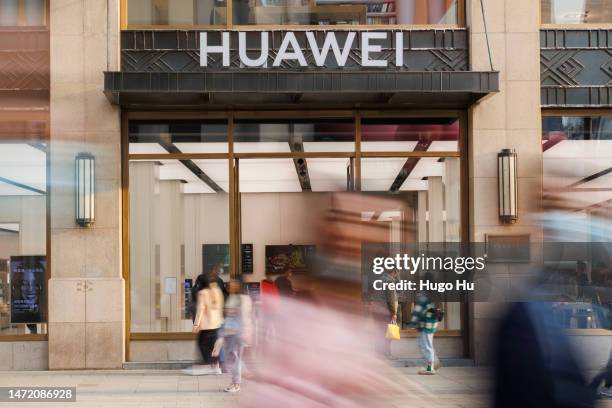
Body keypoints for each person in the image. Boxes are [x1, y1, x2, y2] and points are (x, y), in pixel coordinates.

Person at [186, 273, 224, 375]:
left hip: (207, 326)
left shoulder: (202, 293)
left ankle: (210, 365)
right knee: (214, 347)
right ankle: (216, 366)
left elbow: (200, 310)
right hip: (217, 324)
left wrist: (196, 324)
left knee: (202, 345)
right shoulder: (217, 290)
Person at [221, 278, 253, 393]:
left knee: (236, 359)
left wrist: (246, 332)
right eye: (231, 283)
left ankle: (236, 383)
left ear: (240, 284)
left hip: (238, 333)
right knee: (231, 359)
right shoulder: (232, 297)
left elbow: (245, 316)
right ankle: (237, 379)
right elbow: (228, 315)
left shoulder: (243, 298)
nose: (231, 284)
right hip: (229, 331)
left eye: (234, 282)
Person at [409, 274, 439, 375]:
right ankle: (432, 363)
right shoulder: (434, 293)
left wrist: (412, 323)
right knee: (427, 345)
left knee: (425, 346)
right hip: (432, 324)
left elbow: (417, 311)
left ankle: (430, 367)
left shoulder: (423, 296)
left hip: (425, 324)